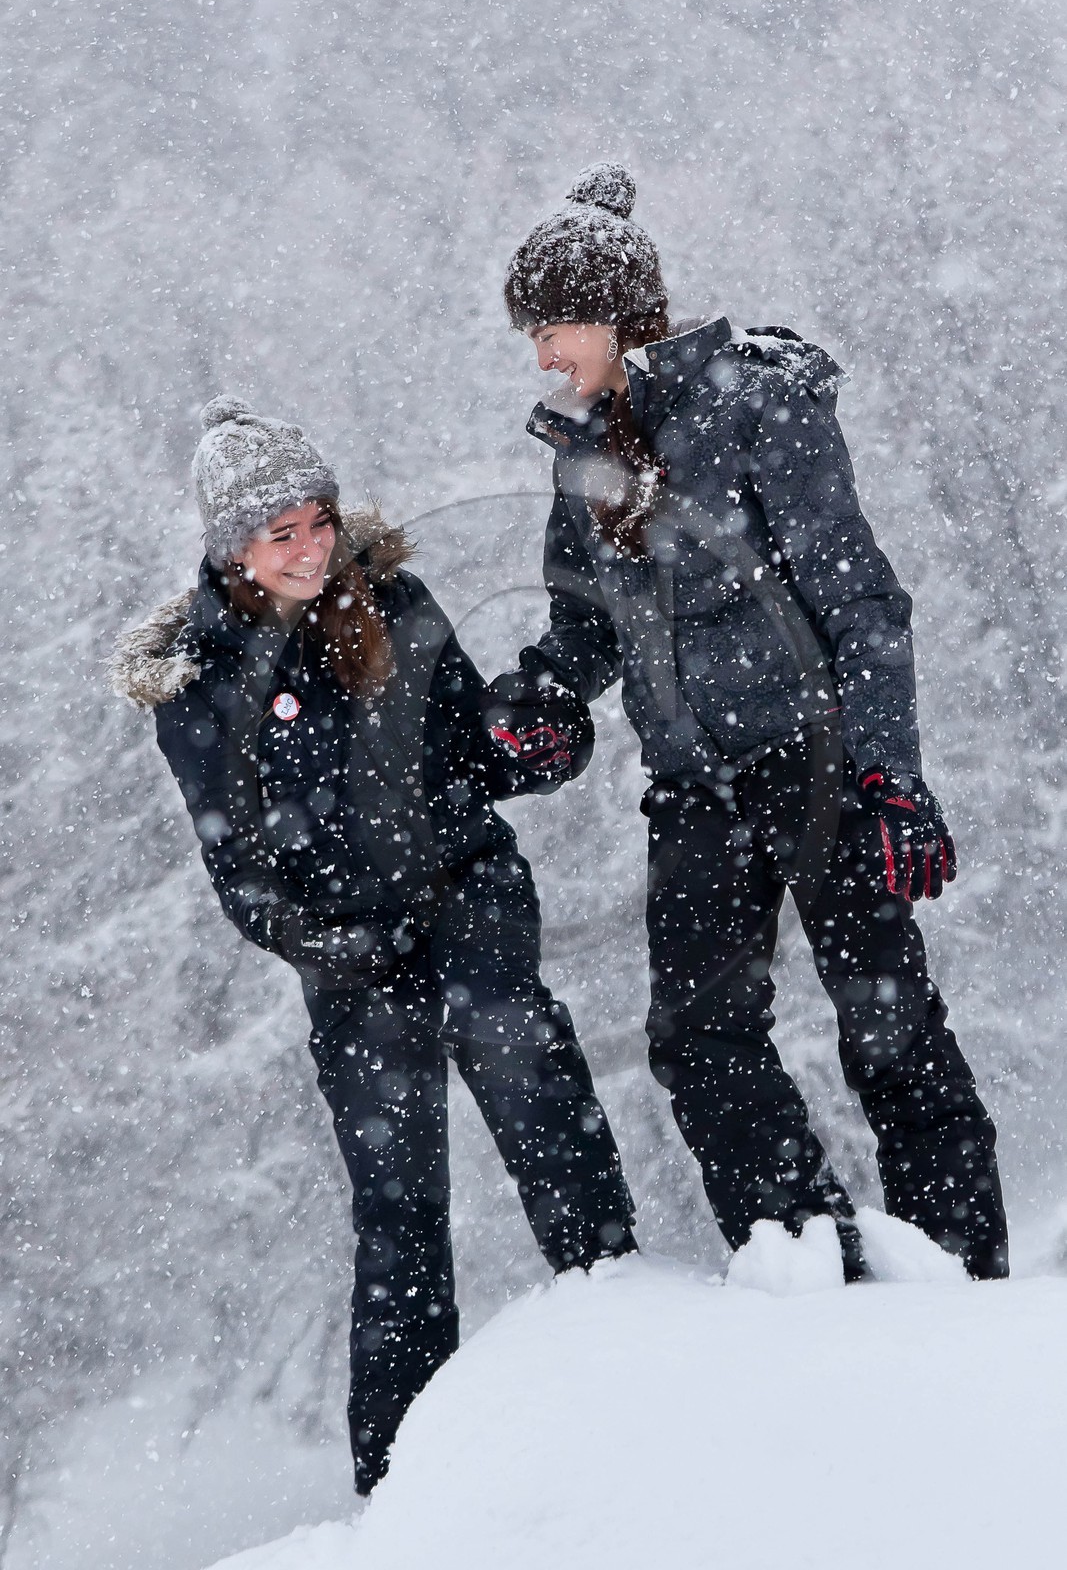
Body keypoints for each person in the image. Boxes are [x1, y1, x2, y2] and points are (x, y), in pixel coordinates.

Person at [488, 163, 1008, 1281]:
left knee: (887, 1027)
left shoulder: (751, 403)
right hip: (691, 789)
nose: (540, 355)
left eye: (552, 327)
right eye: (530, 333)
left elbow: (859, 603)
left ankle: (959, 1279)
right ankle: (810, 1261)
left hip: (817, 767)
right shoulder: (581, 454)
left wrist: (890, 776)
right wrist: (535, 695)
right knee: (696, 1043)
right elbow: (583, 628)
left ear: (619, 313)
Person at [110, 395, 636, 1494]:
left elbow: (471, 749)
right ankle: (399, 1488)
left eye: (316, 522)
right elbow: (243, 876)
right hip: (352, 969)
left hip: (468, 902)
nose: (307, 549)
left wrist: (535, 741)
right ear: (230, 549)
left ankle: (630, 1339)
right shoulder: (199, 686)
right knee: (399, 1216)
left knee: (543, 1107)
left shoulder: (391, 601)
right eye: (279, 533)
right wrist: (345, 943)